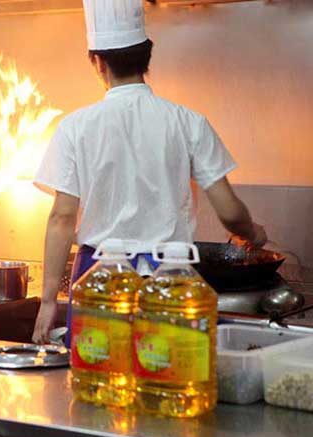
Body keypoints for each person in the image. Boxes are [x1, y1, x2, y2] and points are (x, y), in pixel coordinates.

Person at [31, 0, 267, 345]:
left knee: (96, 382)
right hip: (169, 283)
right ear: (147, 57)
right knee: (164, 381)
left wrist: (49, 299)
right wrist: (254, 233)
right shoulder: (187, 122)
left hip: (99, 283)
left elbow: (61, 219)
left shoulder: (75, 127)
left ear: (96, 62)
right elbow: (230, 212)